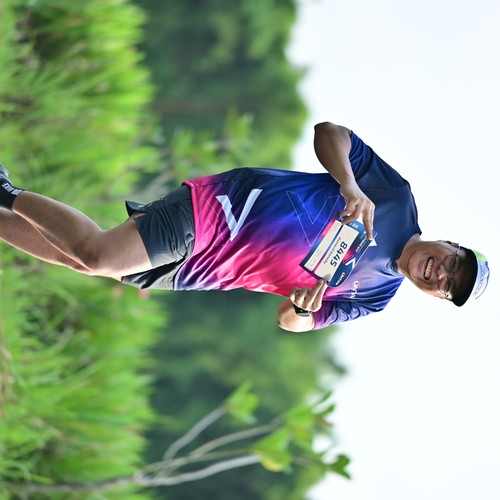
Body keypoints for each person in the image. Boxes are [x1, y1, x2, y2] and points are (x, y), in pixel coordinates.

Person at [0, 122, 490, 331]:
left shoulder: (376, 296)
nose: (442, 274)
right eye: (454, 264)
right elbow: (330, 133)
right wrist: (349, 185)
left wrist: (301, 308)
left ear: (436, 296)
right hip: (224, 212)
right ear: (449, 243)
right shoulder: (397, 198)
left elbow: (292, 322)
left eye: (449, 286)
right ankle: (5, 191)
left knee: (82, 260)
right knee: (98, 255)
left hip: (208, 270)